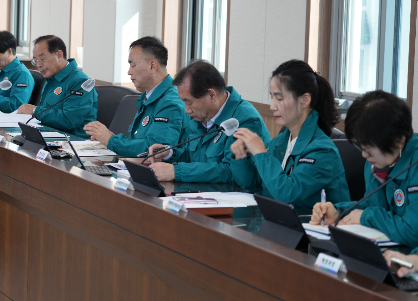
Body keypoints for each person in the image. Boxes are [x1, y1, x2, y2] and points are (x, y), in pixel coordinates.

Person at [229, 60, 350, 209]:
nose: (272, 106)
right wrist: (241, 158)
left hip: (313, 228)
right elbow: (256, 186)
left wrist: (261, 153)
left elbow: (287, 194)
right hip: (281, 224)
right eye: (272, 98)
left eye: (279, 99)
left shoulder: (322, 150)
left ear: (304, 100)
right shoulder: (281, 141)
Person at [310, 91, 418, 248]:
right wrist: (339, 211)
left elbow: (413, 231)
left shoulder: (414, 162)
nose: (363, 154)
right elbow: (373, 204)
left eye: (369, 148)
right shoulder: (376, 161)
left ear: (398, 140)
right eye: (361, 146)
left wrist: (367, 216)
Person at [147, 60, 270, 185]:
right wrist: (169, 153)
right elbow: (194, 157)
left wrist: (177, 171)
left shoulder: (243, 120)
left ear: (211, 95)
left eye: (189, 102)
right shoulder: (199, 116)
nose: (186, 110)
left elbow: (232, 172)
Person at [83, 37, 187, 157]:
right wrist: (109, 139)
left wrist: (111, 140)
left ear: (152, 66)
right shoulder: (149, 96)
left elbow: (155, 150)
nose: (129, 71)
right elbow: (139, 140)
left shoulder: (170, 102)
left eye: (133, 65)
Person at [17, 35, 97, 139]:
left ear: (59, 55)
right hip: (49, 136)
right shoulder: (51, 77)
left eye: (42, 59)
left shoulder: (79, 81)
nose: (39, 65)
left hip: (72, 142)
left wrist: (35, 111)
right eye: (35, 61)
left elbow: (70, 120)